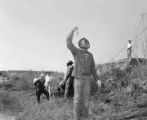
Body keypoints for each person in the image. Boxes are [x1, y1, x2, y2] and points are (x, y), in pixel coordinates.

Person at [66, 27, 99, 120]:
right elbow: (68, 43)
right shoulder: (76, 51)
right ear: (80, 44)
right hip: (78, 79)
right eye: (84, 41)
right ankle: (76, 118)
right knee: (77, 100)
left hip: (87, 80)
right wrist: (72, 31)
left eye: (87, 41)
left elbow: (93, 68)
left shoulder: (91, 55)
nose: (87, 41)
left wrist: (97, 79)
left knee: (86, 100)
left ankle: (85, 118)